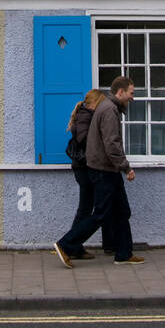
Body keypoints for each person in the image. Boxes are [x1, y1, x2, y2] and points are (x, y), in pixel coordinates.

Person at [54, 76, 143, 266]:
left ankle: (124, 253)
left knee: (121, 211)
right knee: (100, 214)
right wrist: (125, 166)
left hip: (106, 168)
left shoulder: (107, 108)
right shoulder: (109, 110)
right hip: (104, 170)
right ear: (121, 92)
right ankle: (65, 245)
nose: (132, 98)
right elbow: (112, 144)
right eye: (131, 93)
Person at [65, 89, 113, 259]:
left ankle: (74, 245)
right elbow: (84, 139)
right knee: (87, 208)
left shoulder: (85, 115)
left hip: (84, 167)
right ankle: (70, 245)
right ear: (95, 103)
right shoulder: (86, 116)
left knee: (90, 207)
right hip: (85, 168)